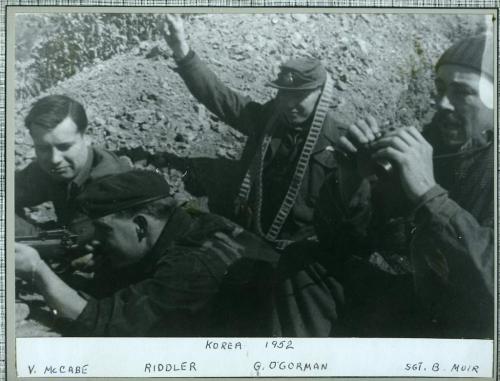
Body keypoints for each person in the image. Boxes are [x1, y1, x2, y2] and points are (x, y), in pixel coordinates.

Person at [314, 33, 494, 338]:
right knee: (306, 266)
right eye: (440, 89)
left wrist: (430, 195)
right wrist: (351, 179)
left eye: (462, 92)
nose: (443, 103)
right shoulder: (430, 143)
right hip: (415, 302)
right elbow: (344, 245)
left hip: (469, 332)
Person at [162, 15, 345, 250]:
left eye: (300, 96)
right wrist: (181, 49)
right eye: (284, 95)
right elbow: (221, 98)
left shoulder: (339, 143)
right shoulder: (268, 118)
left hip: (295, 247)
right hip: (249, 227)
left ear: (321, 94)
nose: (290, 105)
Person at [15, 94, 131, 234]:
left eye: (64, 146)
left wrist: (19, 231)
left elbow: (79, 245)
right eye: (43, 148)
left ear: (87, 137)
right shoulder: (47, 167)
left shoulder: (110, 182)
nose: (54, 159)